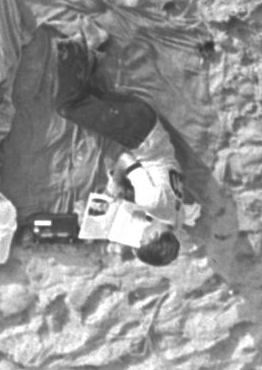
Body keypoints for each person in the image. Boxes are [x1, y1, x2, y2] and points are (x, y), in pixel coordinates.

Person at [53, 37, 194, 264]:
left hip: (148, 127)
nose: (140, 236)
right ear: (155, 235)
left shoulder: (176, 219)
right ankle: (76, 43)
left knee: (90, 98)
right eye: (144, 239)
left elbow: (167, 199)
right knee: (67, 106)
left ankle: (90, 51)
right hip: (138, 132)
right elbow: (126, 159)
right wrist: (116, 183)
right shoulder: (151, 202)